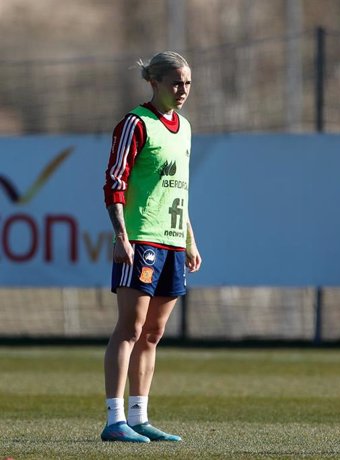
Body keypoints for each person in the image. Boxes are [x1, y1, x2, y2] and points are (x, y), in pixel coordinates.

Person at [101, 51, 202, 443]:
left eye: (188, 83)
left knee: (154, 333)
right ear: (154, 82)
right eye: (176, 82)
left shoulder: (186, 128)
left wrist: (190, 240)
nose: (183, 90)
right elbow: (115, 183)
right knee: (130, 327)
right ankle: (115, 419)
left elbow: (179, 191)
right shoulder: (135, 123)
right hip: (141, 238)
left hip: (173, 242)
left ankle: (140, 417)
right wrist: (121, 236)